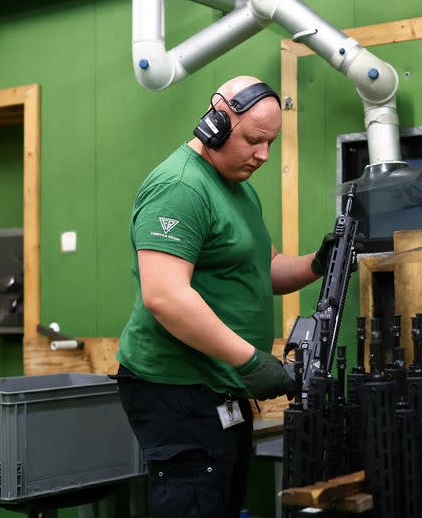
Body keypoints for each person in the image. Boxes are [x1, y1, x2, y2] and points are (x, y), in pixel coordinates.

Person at [114, 75, 333, 518]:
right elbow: (165, 296)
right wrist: (250, 362)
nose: (263, 155)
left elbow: (263, 268)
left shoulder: (237, 188)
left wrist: (316, 263)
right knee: (195, 502)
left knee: (224, 502)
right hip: (177, 388)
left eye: (270, 143)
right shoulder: (180, 187)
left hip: (220, 386)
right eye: (254, 140)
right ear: (215, 123)